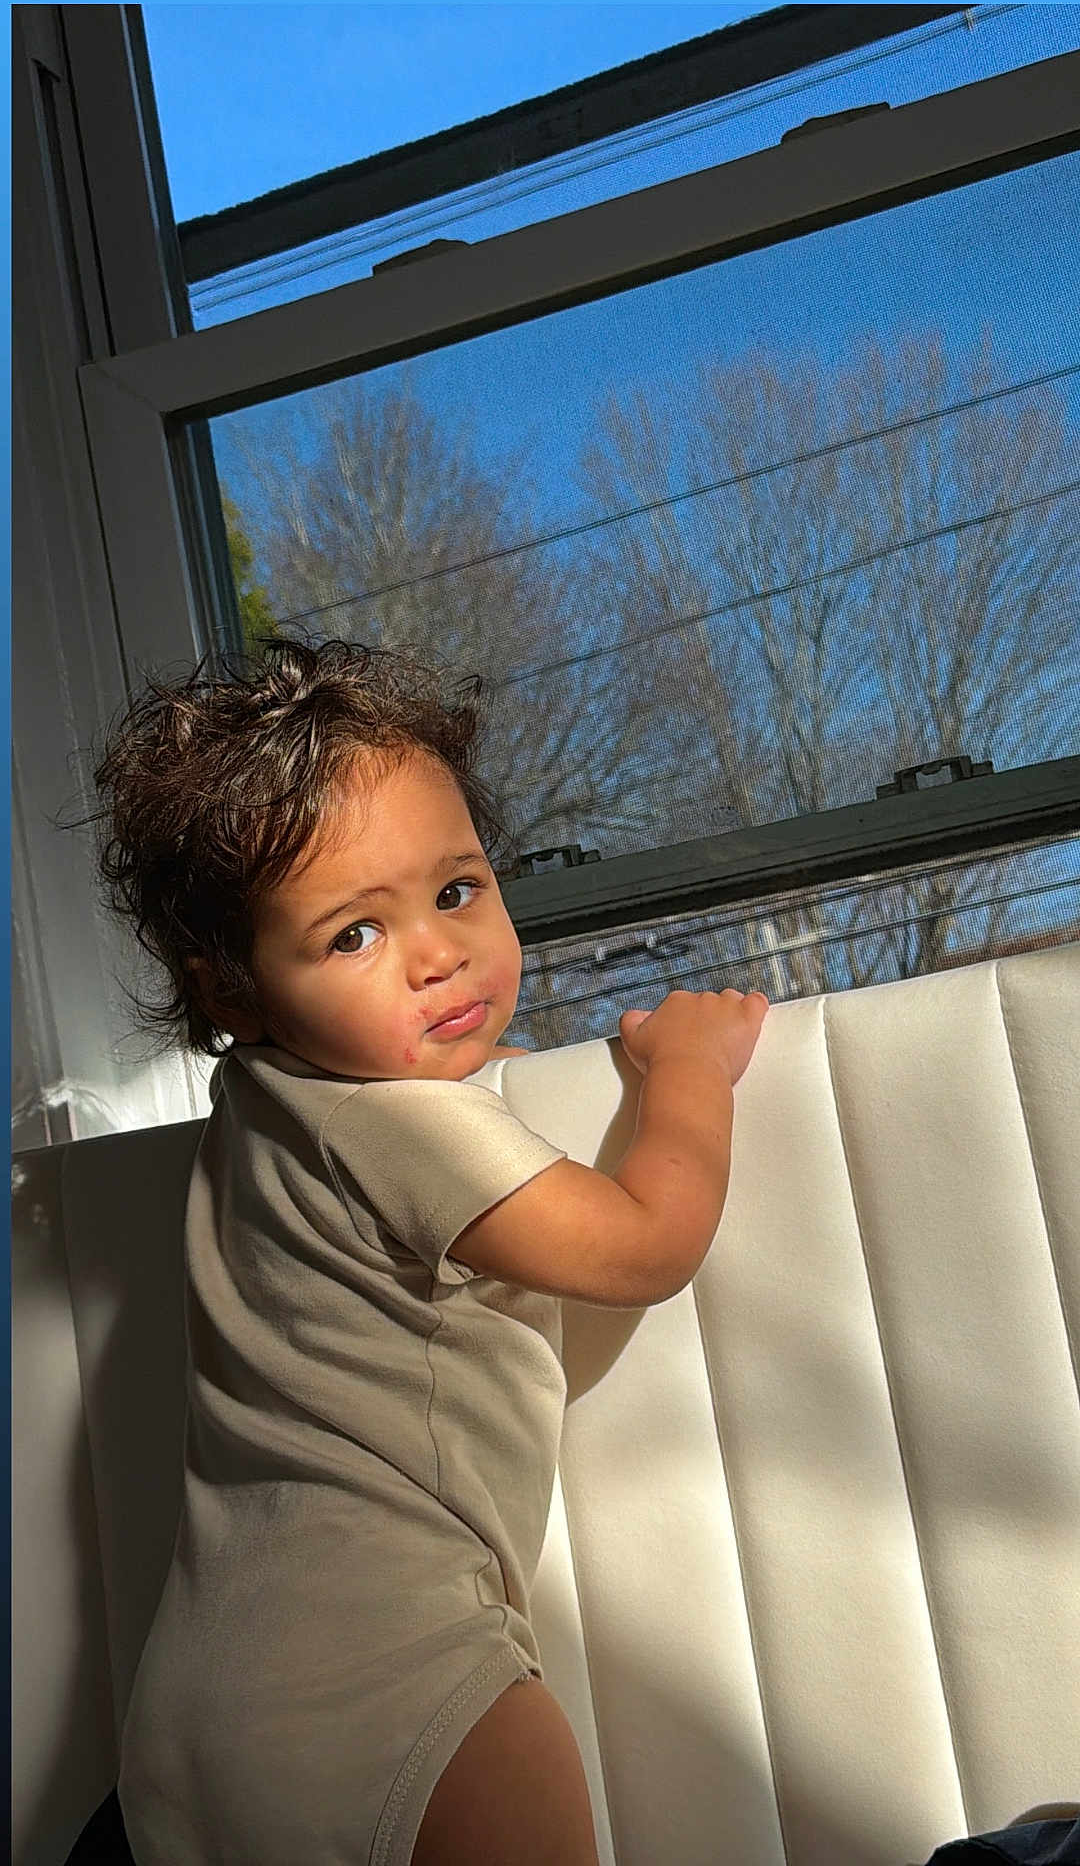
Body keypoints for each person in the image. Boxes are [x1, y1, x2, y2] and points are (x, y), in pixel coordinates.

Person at [85, 634, 769, 1866]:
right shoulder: (402, 1121)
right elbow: (642, 1244)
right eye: (353, 935)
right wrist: (687, 1072)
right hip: (395, 1663)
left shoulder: (259, 1105)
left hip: (186, 1711)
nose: (437, 953)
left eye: (457, 891)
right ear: (232, 995)